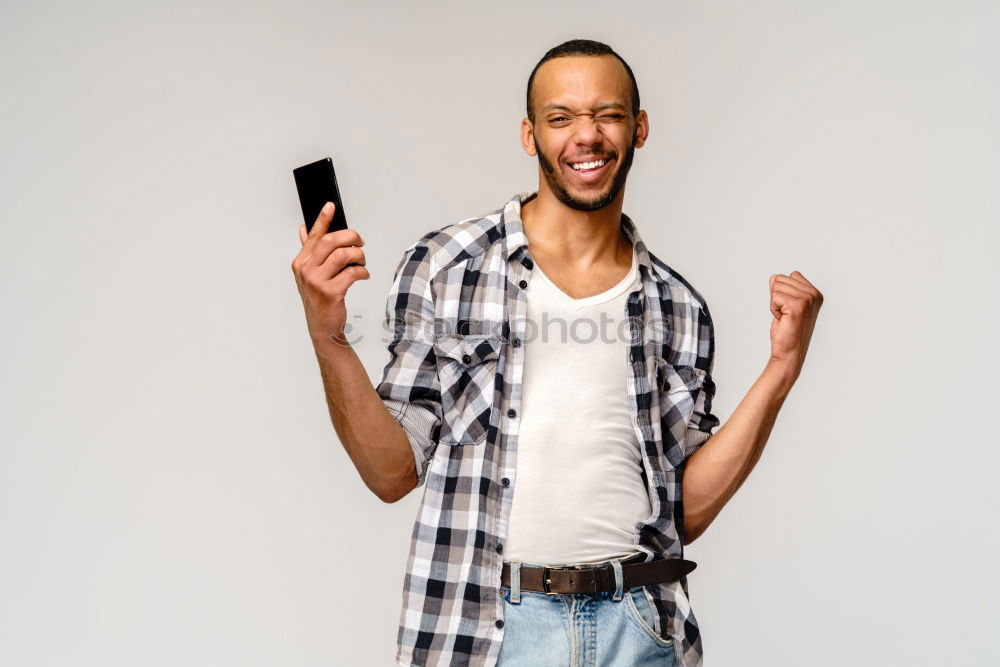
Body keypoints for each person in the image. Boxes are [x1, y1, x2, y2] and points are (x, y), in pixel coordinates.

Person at [291, 38, 823, 667]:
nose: (587, 137)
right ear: (530, 134)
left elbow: (682, 510)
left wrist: (781, 370)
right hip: (488, 630)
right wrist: (328, 336)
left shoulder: (676, 306)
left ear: (639, 128)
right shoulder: (446, 267)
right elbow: (390, 473)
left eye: (609, 114)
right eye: (561, 117)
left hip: (641, 628)